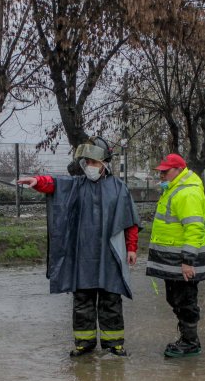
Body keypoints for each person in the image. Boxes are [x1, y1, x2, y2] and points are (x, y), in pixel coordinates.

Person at [17, 137, 141, 358]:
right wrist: (37, 181)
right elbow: (54, 184)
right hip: (82, 255)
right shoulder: (76, 185)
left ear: (105, 163)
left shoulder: (119, 188)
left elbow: (129, 221)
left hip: (109, 256)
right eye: (87, 162)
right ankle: (84, 343)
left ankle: (114, 345)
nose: (90, 167)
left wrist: (131, 248)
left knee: (110, 300)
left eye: (95, 162)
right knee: (82, 300)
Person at [146, 153, 205, 358]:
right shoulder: (175, 191)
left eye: (166, 171)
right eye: (161, 172)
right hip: (173, 262)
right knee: (176, 299)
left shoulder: (187, 194)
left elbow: (194, 229)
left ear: (180, 170)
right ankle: (187, 339)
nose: (162, 175)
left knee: (185, 301)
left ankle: (190, 342)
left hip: (182, 263)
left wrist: (188, 261)